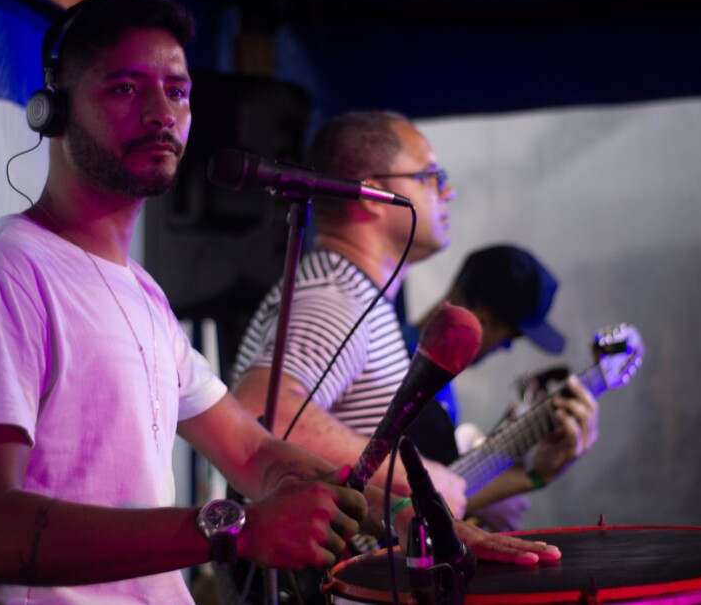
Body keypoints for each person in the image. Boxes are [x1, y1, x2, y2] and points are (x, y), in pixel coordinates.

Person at [0, 0, 560, 605]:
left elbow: (252, 449)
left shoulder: (141, 293)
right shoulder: (5, 273)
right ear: (53, 110)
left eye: (177, 91)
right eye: (124, 88)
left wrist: (401, 512)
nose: (161, 113)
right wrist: (236, 528)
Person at [230, 113, 598, 525]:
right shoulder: (335, 299)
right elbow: (258, 414)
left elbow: (384, 499)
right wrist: (408, 477)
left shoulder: (358, 299)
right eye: (431, 177)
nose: (449, 192)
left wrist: (529, 474)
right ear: (374, 194)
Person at [404, 244, 595, 531]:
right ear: (481, 317)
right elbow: (411, 505)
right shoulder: (409, 382)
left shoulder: (427, 376)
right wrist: (506, 488)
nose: (505, 348)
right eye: (510, 336)